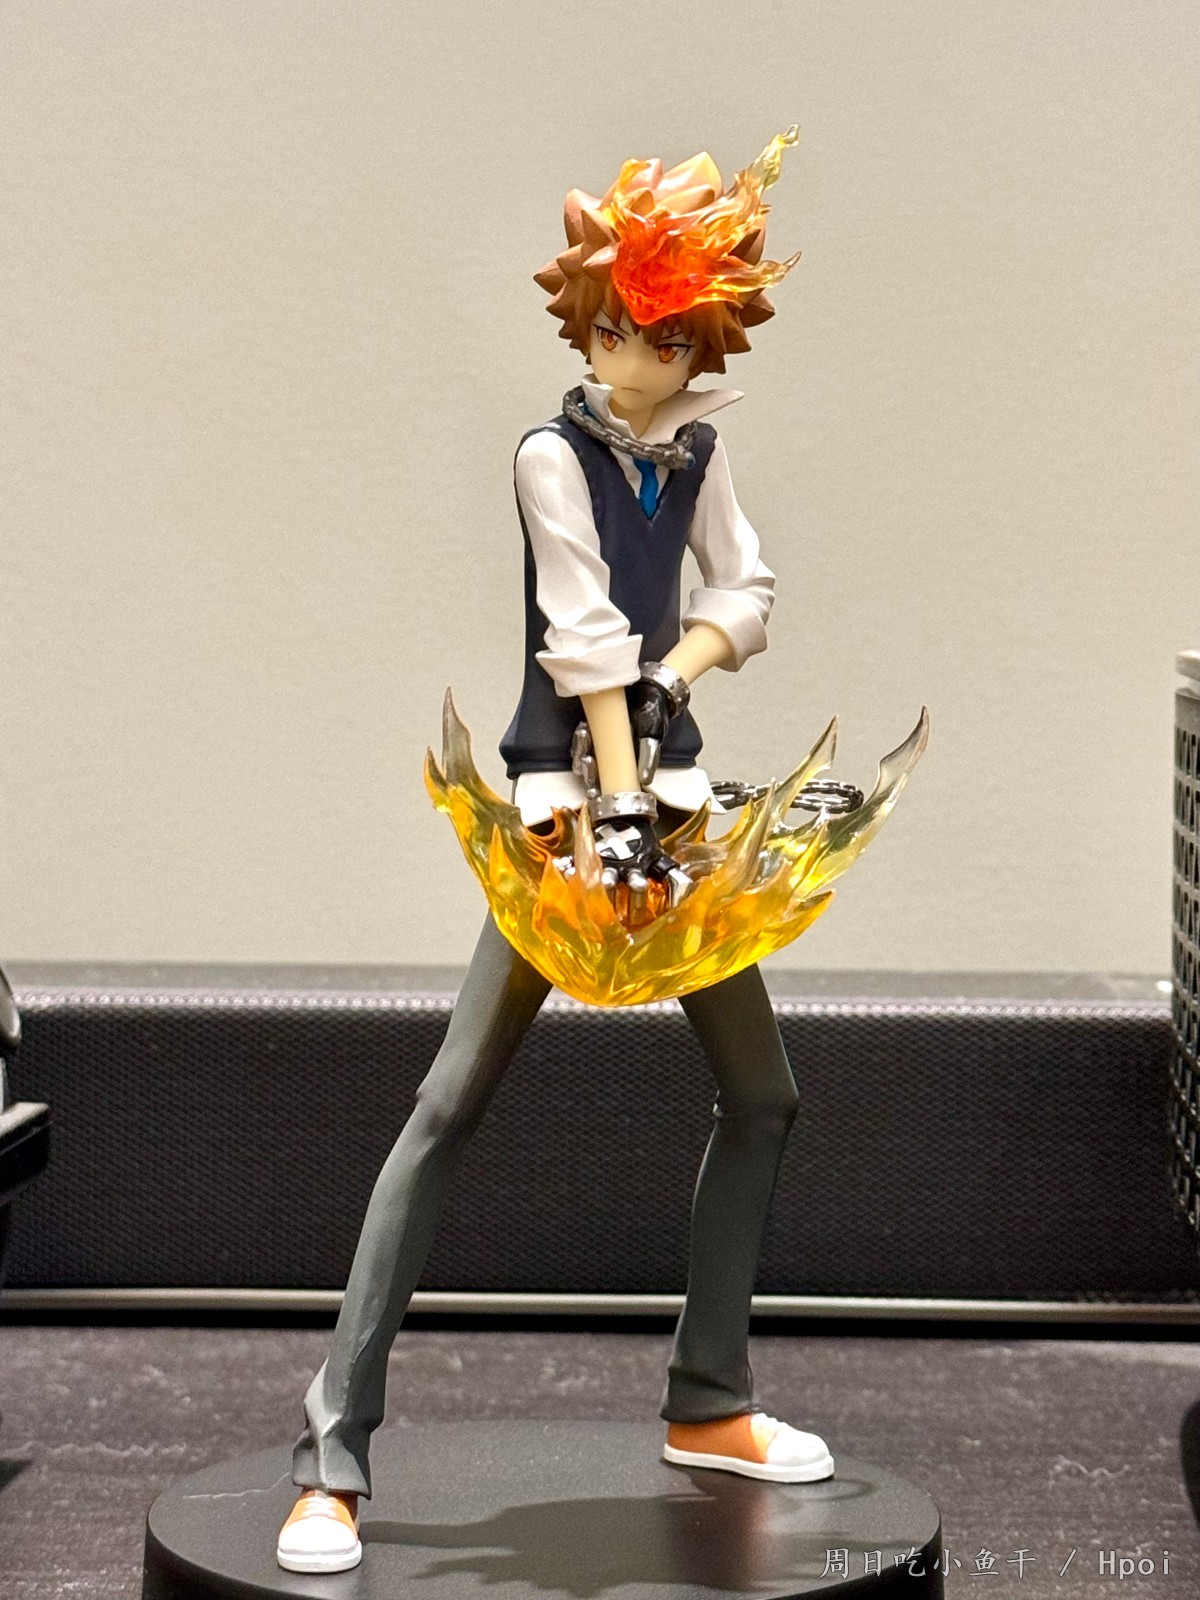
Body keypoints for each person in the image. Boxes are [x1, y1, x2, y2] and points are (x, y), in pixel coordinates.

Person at [276, 129, 836, 1578]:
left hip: (670, 798)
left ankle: (709, 1401)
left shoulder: (698, 452)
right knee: (448, 1104)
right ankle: (331, 1461)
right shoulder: (552, 454)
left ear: (700, 340)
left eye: (659, 336)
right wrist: (618, 795)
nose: (628, 356)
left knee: (764, 1095)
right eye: (611, 328)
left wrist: (681, 677)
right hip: (565, 813)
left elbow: (746, 588)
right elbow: (579, 634)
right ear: (585, 322)